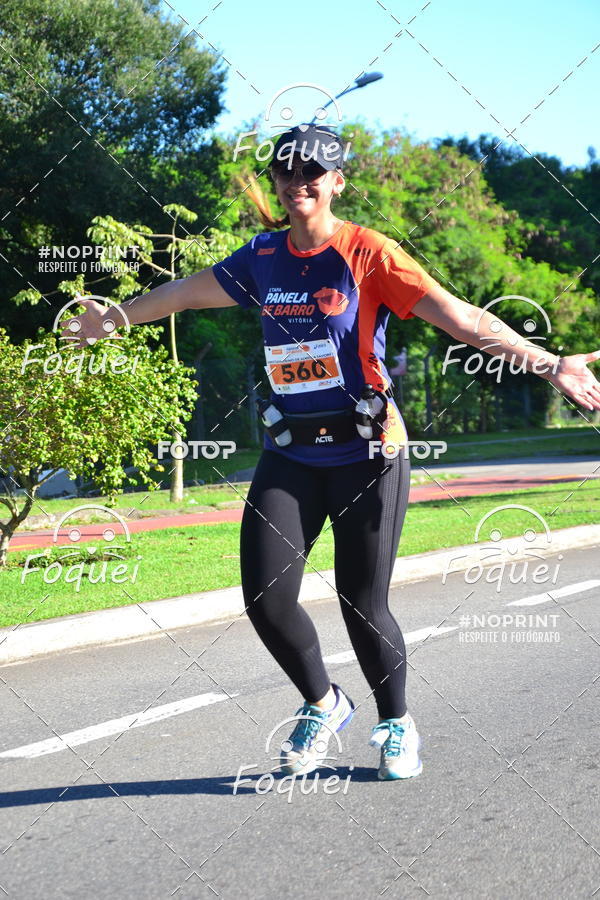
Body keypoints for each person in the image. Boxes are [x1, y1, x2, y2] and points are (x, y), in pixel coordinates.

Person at [70, 124, 600, 781]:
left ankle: (396, 723)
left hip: (368, 454)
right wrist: (110, 319)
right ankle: (324, 702)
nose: (298, 183)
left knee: (361, 602)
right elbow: (181, 294)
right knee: (266, 599)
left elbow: (464, 320)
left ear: (338, 180)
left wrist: (551, 365)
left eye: (312, 171)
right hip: (290, 453)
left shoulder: (370, 254)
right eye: (286, 172)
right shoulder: (261, 259)